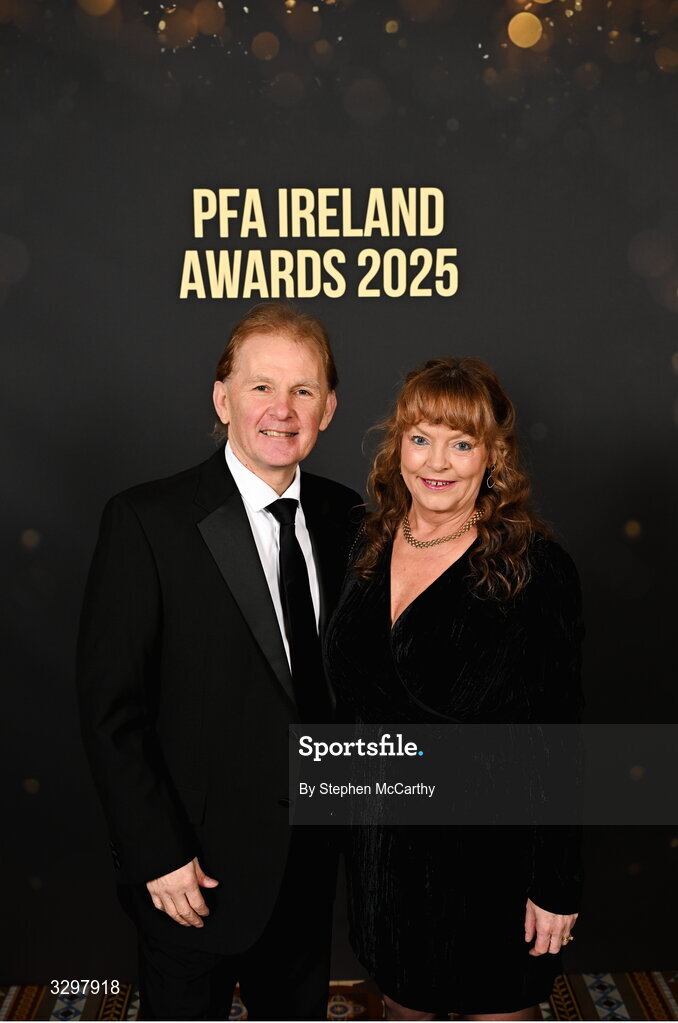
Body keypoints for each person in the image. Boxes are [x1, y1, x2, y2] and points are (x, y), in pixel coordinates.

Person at [77, 302, 362, 1022]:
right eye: (261, 386)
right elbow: (112, 710)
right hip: (191, 873)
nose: (282, 409)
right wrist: (156, 854)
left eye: (303, 389)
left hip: (308, 866)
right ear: (222, 396)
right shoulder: (147, 521)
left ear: (328, 407)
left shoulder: (348, 515)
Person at [324, 357, 584, 1022]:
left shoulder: (535, 569)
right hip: (385, 861)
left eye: (461, 443)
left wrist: (557, 883)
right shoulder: (364, 544)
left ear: (493, 455)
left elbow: (561, 734)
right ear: (398, 445)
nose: (437, 461)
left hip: (491, 866)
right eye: (421, 437)